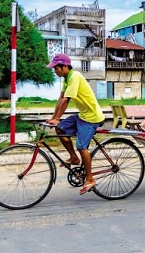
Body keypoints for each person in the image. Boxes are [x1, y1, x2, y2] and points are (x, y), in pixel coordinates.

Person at [46, 54, 105, 195]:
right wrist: (54, 118)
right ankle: (74, 158)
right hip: (82, 115)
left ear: (65, 66)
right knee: (59, 129)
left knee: (81, 146)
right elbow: (60, 99)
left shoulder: (75, 77)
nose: (55, 71)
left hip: (91, 117)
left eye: (56, 68)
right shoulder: (66, 79)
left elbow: (67, 99)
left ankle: (90, 178)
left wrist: (58, 117)